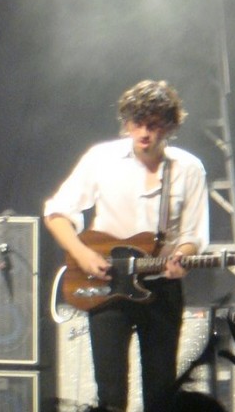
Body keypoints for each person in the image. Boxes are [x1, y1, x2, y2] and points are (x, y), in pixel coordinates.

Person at [44, 80, 208, 412]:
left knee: (161, 393)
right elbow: (56, 212)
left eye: (154, 124)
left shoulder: (188, 168)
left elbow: (193, 235)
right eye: (137, 123)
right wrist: (82, 254)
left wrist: (182, 257)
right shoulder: (101, 159)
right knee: (110, 392)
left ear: (169, 125)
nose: (144, 132)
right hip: (107, 284)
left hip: (161, 287)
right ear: (126, 122)